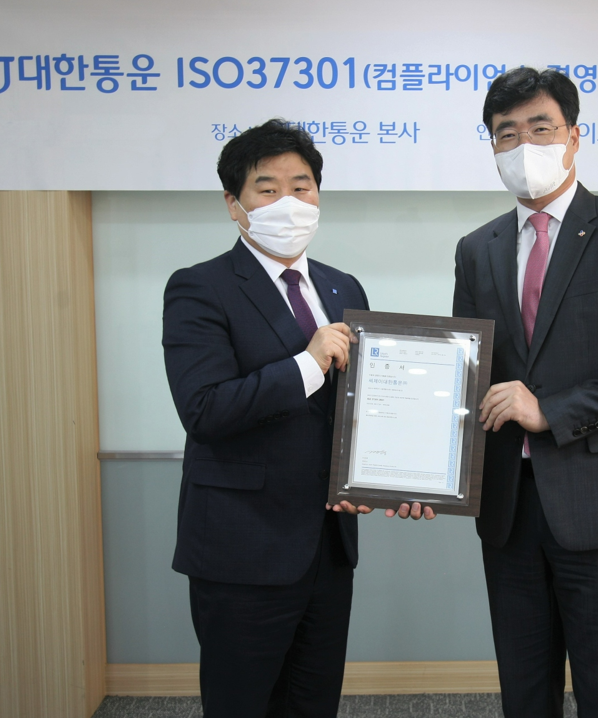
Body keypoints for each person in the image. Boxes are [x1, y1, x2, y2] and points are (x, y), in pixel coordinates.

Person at [162, 119, 431, 718]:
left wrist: (397, 478)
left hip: (328, 547)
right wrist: (306, 364)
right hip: (243, 548)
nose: (288, 201)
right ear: (233, 204)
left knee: (313, 704)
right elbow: (204, 410)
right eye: (267, 188)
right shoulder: (199, 288)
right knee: (242, 705)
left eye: (301, 186)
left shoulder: (342, 287)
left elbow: (365, 409)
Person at [452, 68, 598, 717]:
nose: (523, 145)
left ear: (574, 137)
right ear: (492, 147)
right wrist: (419, 473)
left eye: (540, 128)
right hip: (509, 508)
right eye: (506, 134)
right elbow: (466, 373)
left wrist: (548, 411)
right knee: (524, 691)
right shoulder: (477, 249)